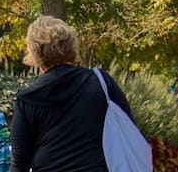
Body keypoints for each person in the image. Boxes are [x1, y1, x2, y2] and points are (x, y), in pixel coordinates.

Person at [9, 16, 136, 172]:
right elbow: (128, 127)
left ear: (34, 51)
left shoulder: (27, 98)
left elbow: (20, 161)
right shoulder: (99, 83)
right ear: (71, 45)